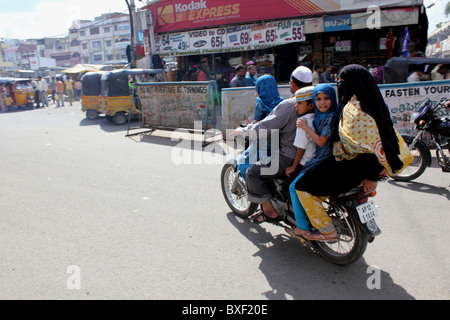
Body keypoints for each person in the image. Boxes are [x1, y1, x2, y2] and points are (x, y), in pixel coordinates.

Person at [286, 64, 410, 241]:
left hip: (352, 168)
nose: (340, 86)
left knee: (300, 186)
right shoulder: (372, 104)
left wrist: (372, 176)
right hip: (362, 166)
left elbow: (366, 149)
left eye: (343, 82)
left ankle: (326, 230)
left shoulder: (356, 112)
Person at [233, 66, 313, 223]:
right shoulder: (319, 100)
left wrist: (243, 131)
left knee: (252, 172)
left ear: (292, 84)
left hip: (289, 156)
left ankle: (269, 212)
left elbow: (263, 126)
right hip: (314, 154)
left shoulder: (290, 105)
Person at [287, 83, 339, 240]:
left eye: (326, 99)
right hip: (320, 159)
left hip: (324, 160)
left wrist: (304, 127)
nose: (322, 103)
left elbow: (322, 142)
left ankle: (302, 227)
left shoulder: (329, 117)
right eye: (319, 99)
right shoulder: (319, 117)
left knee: (294, 187)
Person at [236, 74, 284, 179]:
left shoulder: (260, 102)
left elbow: (257, 122)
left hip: (264, 141)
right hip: (280, 141)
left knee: (243, 163)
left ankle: (250, 188)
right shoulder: (282, 102)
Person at [284, 86, 317, 182]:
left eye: (299, 103)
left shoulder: (302, 122)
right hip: (314, 159)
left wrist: (293, 167)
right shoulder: (315, 118)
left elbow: (301, 148)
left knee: (288, 188)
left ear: (310, 106)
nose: (296, 106)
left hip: (304, 162)